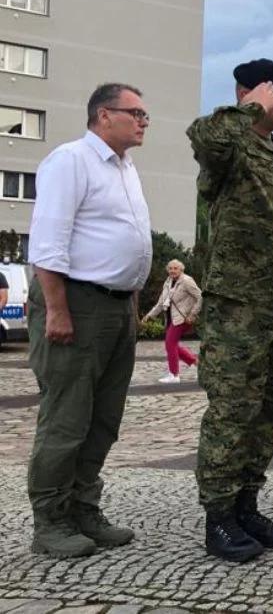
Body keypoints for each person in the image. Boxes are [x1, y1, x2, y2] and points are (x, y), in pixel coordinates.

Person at [25, 82, 153, 557]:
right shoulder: (71, 160)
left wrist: (132, 304)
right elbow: (49, 244)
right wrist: (56, 309)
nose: (143, 121)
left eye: (145, 115)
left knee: (103, 418)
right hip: (76, 302)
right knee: (67, 418)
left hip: (116, 306)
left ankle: (83, 507)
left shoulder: (125, 167)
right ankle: (50, 520)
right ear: (103, 115)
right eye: (135, 112)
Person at [188, 58, 273, 563]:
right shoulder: (228, 146)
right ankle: (219, 517)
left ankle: (246, 504)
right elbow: (205, 137)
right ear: (251, 93)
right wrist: (245, 108)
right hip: (236, 303)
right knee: (233, 410)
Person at [141, 259, 202, 384]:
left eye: (175, 268)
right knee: (172, 345)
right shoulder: (168, 282)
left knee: (170, 343)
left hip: (182, 318)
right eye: (170, 268)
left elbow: (200, 296)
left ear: (181, 270)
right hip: (170, 318)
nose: (172, 271)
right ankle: (197, 363)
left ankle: (174, 375)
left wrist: (193, 314)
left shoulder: (186, 281)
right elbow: (160, 303)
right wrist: (149, 316)